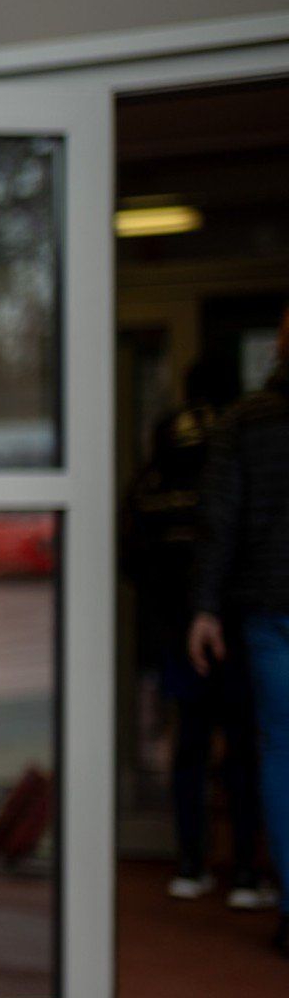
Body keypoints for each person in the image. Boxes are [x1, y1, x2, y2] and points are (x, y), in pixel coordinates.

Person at [123, 359, 265, 903]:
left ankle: (189, 863)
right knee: (244, 746)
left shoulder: (159, 459)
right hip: (234, 621)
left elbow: (132, 547)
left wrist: (164, 610)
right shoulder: (235, 443)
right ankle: (247, 872)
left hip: (175, 625)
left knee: (190, 743)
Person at [190, 309, 289, 956]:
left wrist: (205, 608)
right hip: (267, 607)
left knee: (280, 752)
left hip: (268, 608)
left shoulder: (244, 421)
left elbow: (218, 520)